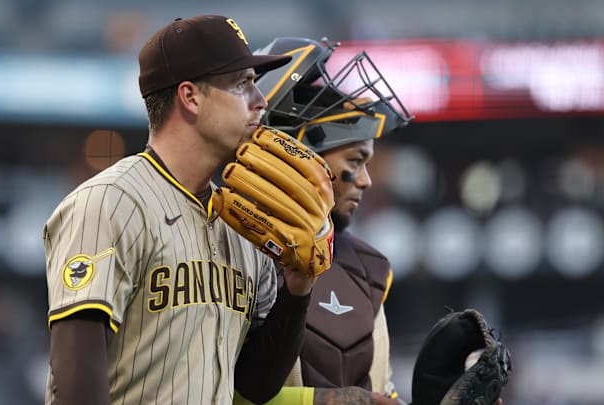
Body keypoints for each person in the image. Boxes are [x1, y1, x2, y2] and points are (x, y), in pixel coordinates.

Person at [42, 16, 320, 405]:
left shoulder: (245, 224)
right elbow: (75, 384)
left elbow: (255, 387)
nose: (260, 101)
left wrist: (298, 287)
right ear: (190, 97)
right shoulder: (110, 202)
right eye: (242, 84)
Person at [234, 37, 414, 405]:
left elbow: (382, 391)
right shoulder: (228, 245)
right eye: (354, 162)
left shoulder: (371, 267)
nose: (365, 180)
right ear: (299, 155)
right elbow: (208, 390)